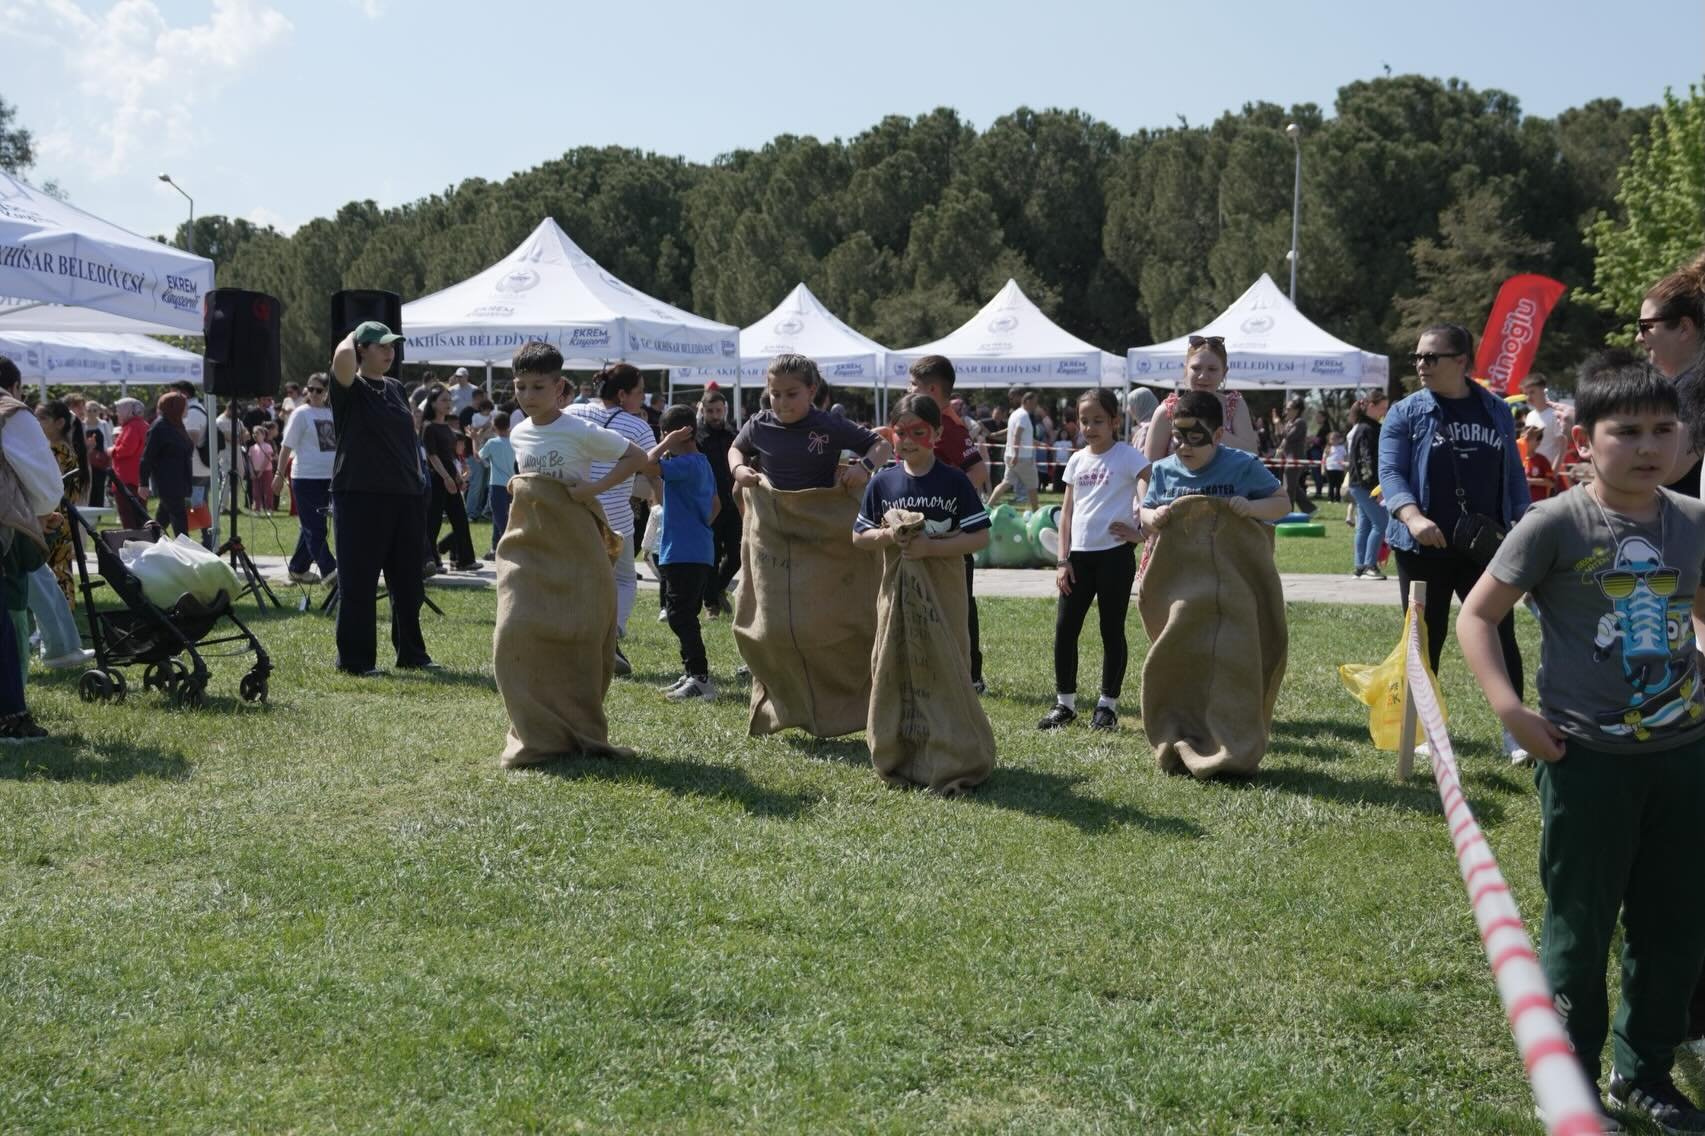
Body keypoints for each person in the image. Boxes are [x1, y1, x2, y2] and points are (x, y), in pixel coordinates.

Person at [1458, 363, 1705, 1131]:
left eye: (1661, 430)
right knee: (1581, 922)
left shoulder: (1695, 521)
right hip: (1585, 762)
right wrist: (1512, 712)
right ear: (1584, 443)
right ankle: (1568, 1071)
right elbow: (1476, 617)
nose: (1645, 446)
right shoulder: (1554, 524)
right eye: (1624, 431)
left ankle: (1642, 1071)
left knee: (1674, 925)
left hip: (1683, 759)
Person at [1378, 322, 1530, 763]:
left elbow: (1513, 474)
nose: (1421, 365)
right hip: (1423, 545)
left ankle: (1515, 731)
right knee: (1427, 637)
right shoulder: (1406, 412)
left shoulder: (1496, 410)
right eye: (1418, 357)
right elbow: (1390, 474)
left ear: (1461, 362)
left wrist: (1522, 519)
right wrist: (1412, 517)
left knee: (1500, 634)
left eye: (1431, 357)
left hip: (1484, 545)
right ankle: (1426, 729)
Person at [328, 320, 437, 677]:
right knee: (358, 582)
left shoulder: (394, 387)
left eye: (392, 346)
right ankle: (356, 661)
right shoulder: (350, 385)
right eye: (381, 346)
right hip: (360, 496)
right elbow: (342, 356)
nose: (390, 352)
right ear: (362, 350)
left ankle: (412, 653)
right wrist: (353, 333)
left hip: (406, 496)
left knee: (408, 583)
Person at [1038, 388, 1151, 732]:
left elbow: (1149, 495)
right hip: (1078, 561)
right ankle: (1065, 704)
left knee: (1111, 630)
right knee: (1064, 630)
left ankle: (1107, 707)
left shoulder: (1129, 457)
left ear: (1115, 421)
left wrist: (1141, 532)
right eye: (1084, 421)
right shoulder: (1076, 460)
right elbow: (1068, 514)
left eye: (1098, 420)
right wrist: (1062, 560)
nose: (1090, 427)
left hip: (1115, 558)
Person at [565, 365, 665, 668]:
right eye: (639, 391)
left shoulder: (571, 412)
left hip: (573, 514)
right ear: (622, 395)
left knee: (579, 581)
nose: (643, 398)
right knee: (622, 581)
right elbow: (653, 470)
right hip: (615, 521)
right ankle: (610, 640)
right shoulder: (636, 427)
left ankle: (576, 642)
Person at [905, 355, 991, 692]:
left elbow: (979, 471)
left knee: (959, 602)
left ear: (932, 389)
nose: (907, 391)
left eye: (912, 385)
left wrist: (948, 501)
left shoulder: (950, 427)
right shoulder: (916, 423)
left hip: (950, 535)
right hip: (917, 536)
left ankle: (971, 673)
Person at [0, 357, 72, 739]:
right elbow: (45, 482)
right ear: (14, 386)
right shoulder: (11, 411)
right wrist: (42, 513)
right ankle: (10, 715)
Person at [729, 354, 892, 495]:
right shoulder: (758, 424)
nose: (783, 402)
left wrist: (864, 467)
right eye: (776, 394)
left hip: (818, 520)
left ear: (811, 391)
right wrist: (738, 469)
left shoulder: (830, 424)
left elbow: (882, 445)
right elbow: (736, 448)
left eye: (792, 394)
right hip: (770, 522)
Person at [648, 404, 718, 702]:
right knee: (683, 614)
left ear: (680, 433)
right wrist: (697, 523)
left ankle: (700, 679)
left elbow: (645, 462)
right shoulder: (702, 463)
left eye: (665, 433)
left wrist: (664, 443)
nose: (663, 440)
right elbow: (715, 505)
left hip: (683, 551)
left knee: (680, 616)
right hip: (696, 548)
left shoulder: (685, 464)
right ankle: (692, 673)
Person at [1140, 389, 1288, 530]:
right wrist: (1154, 516)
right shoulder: (1161, 470)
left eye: (1195, 438)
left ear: (1217, 436)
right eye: (1178, 437)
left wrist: (1251, 508)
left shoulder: (1243, 465)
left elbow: (1283, 504)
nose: (1184, 446)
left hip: (1232, 556)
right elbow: (1145, 510)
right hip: (1178, 556)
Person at [1638, 251, 1705, 497]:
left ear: (1684, 328)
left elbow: (1663, 469)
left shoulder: (1691, 391)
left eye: (1646, 327)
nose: (1638, 337)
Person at [1142, 335, 1260, 464]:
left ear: (1224, 372)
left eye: (1212, 369)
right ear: (1186, 369)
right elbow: (1149, 470)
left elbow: (1251, 456)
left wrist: (1208, 430)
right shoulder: (1167, 411)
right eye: (1196, 368)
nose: (1203, 376)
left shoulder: (1234, 406)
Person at [274, 374, 337, 586]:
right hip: (305, 477)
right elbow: (286, 447)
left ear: (327, 391)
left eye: (319, 390)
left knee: (313, 526)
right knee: (315, 527)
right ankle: (330, 570)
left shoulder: (331, 413)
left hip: (328, 478)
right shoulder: (301, 414)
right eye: (311, 389)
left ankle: (298, 568)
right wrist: (278, 475)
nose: (314, 394)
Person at [419, 385, 477, 573]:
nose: (448, 403)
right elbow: (432, 456)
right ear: (433, 403)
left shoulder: (447, 427)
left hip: (451, 476)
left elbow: (451, 456)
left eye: (449, 399)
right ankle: (430, 560)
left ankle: (465, 560)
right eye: (443, 400)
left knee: (460, 519)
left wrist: (458, 477)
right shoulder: (428, 427)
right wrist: (445, 477)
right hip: (437, 478)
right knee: (433, 521)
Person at [694, 388, 739, 616]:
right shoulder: (697, 439)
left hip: (733, 505)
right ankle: (710, 603)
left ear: (725, 410)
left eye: (718, 410)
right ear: (703, 411)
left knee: (737, 555)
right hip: (708, 504)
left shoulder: (734, 435)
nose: (714, 415)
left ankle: (719, 589)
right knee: (710, 557)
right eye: (710, 411)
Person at [1346, 388, 1390, 580]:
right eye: (1382, 408)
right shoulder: (1367, 429)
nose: (1384, 412)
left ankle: (1359, 566)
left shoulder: (1365, 427)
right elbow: (1366, 460)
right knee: (1382, 522)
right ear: (1370, 406)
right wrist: (1375, 488)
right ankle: (1370, 565)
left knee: (1364, 525)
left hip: (1359, 484)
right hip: (1365, 486)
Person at [140, 391, 195, 538]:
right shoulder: (159, 428)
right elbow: (147, 458)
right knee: (180, 523)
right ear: (175, 407)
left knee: (161, 522)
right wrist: (143, 483)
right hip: (169, 483)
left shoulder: (176, 424)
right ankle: (185, 554)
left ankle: (148, 545)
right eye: (184, 406)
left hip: (181, 482)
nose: (187, 409)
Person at [986, 386, 1039, 508]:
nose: (1035, 405)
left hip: (1011, 455)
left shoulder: (1015, 414)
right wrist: (1016, 454)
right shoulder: (1023, 416)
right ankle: (1036, 512)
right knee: (1032, 485)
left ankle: (988, 506)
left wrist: (1036, 443)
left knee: (1006, 482)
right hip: (1022, 457)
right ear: (1027, 401)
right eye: (1034, 402)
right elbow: (1017, 435)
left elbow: (1020, 435)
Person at [478, 410, 516, 560]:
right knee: (498, 517)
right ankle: (495, 548)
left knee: (501, 520)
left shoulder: (492, 443)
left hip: (497, 486)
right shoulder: (514, 442)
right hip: (512, 485)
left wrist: (474, 439)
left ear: (494, 426)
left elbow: (479, 456)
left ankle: (509, 548)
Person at [110, 397, 148, 528]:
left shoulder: (132, 427)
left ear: (127, 411)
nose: (117, 414)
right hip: (139, 478)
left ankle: (133, 545)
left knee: (128, 518)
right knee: (140, 516)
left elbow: (127, 449)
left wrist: (112, 451)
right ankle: (143, 544)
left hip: (126, 479)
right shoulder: (143, 425)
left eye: (119, 410)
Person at [1522, 413, 1557, 502]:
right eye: (1524, 438)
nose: (1526, 440)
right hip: (1521, 505)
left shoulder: (1542, 460)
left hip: (1538, 505)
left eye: (1530, 438)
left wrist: (1530, 481)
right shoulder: (1517, 459)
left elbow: (1551, 483)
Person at [247, 425, 276, 512]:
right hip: (255, 472)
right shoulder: (252, 448)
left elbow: (267, 459)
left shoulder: (267, 446)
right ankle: (257, 508)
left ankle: (269, 508)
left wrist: (261, 471)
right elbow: (250, 461)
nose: (255, 435)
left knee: (268, 490)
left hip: (266, 471)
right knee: (256, 492)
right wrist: (252, 472)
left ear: (263, 435)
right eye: (254, 433)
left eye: (257, 433)